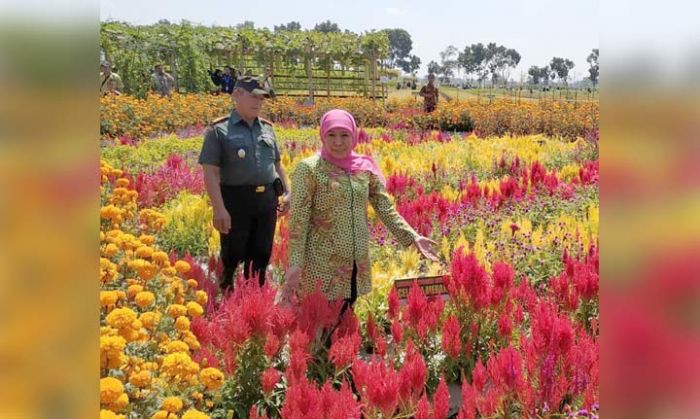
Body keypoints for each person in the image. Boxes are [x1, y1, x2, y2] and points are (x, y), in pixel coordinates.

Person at [281, 109, 439, 312]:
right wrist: (295, 264)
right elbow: (298, 221)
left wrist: (412, 237)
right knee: (321, 325)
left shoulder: (363, 168)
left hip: (355, 264)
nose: (338, 142)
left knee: (345, 319)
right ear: (322, 135)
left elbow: (384, 206)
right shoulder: (309, 169)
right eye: (331, 135)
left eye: (344, 135)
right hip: (321, 264)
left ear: (354, 136)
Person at [198, 76, 290, 292]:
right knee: (232, 253)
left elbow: (277, 164)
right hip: (235, 201)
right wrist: (219, 208)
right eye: (254, 96)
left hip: (267, 200)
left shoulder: (267, 128)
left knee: (262, 252)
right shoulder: (219, 130)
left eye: (262, 99)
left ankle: (256, 296)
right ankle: (228, 294)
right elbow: (210, 171)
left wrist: (287, 193)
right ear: (236, 94)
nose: (258, 103)